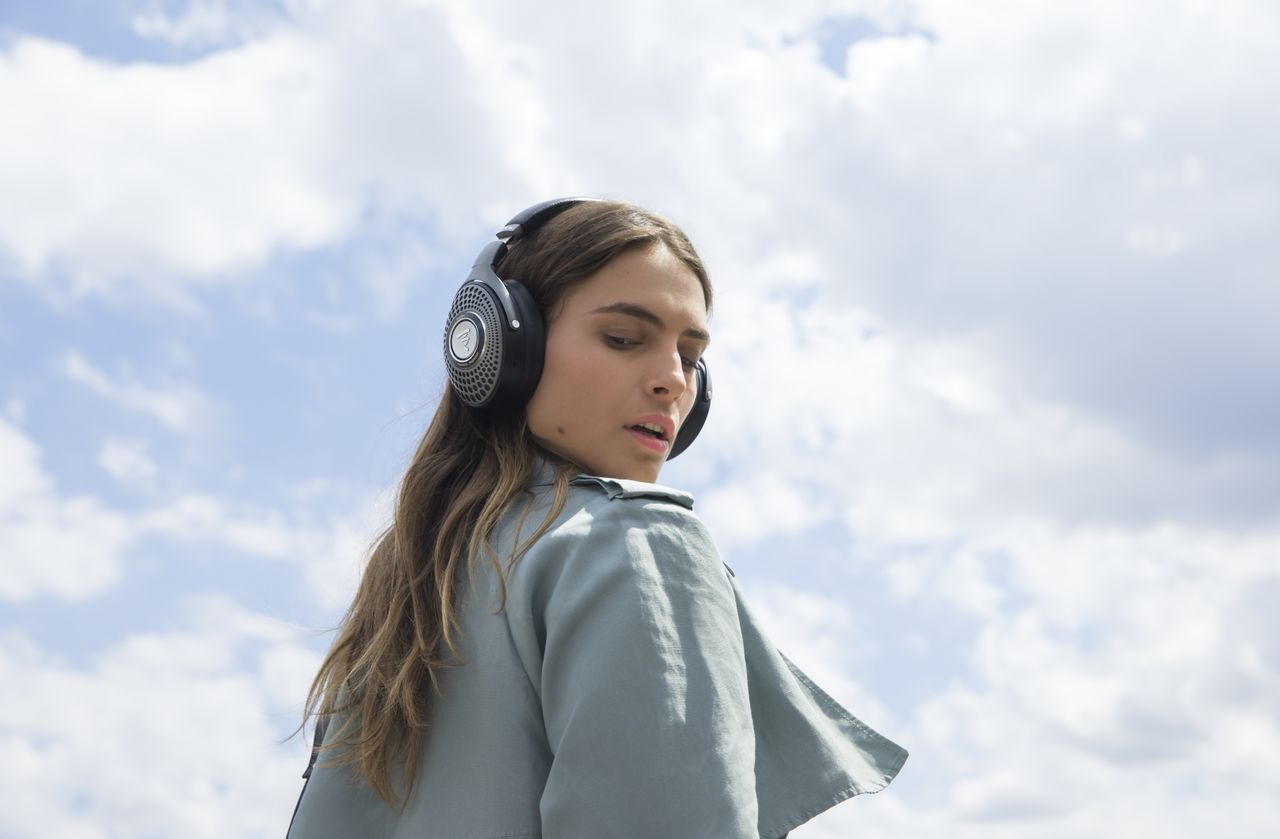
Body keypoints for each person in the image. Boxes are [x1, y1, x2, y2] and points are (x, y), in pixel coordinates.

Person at [285, 198, 907, 839]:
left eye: (691, 357)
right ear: (501, 345)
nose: (672, 382)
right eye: (623, 339)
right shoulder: (635, 544)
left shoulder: (407, 592)